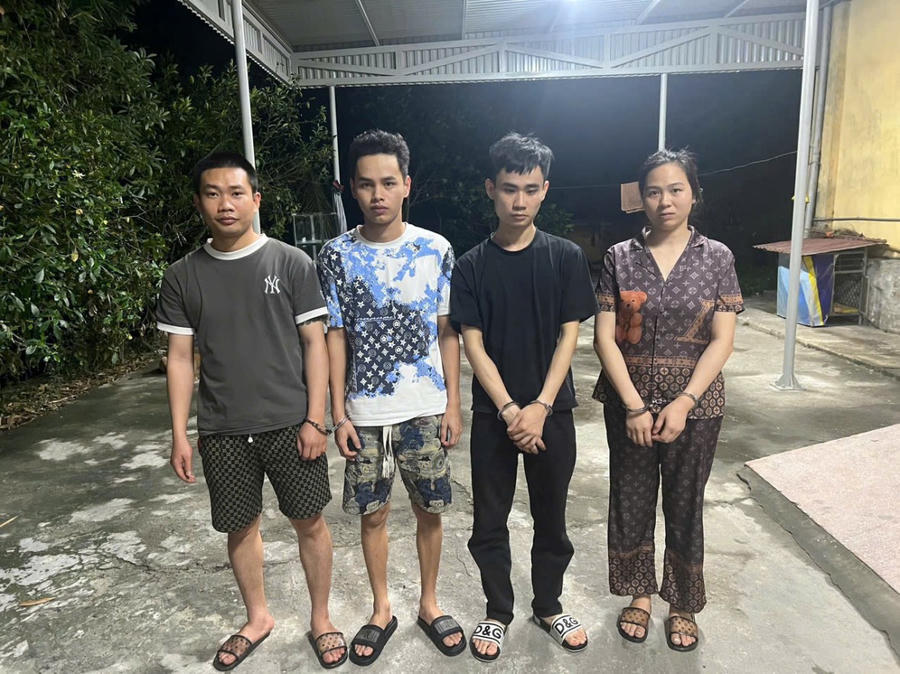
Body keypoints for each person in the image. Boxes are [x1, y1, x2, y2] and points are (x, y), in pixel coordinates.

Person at [157, 151, 346, 670]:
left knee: (309, 522)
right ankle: (258, 617)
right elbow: (180, 359)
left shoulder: (290, 263)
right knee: (239, 527)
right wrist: (180, 433)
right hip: (222, 429)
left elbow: (315, 344)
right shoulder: (182, 276)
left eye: (237, 193)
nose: (226, 204)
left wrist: (316, 419)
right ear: (199, 203)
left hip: (290, 424)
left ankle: (322, 618)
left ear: (256, 199)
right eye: (213, 193)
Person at [316, 130, 465, 665]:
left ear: (406, 184)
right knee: (372, 515)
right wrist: (338, 414)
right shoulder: (335, 255)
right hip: (364, 412)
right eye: (365, 184)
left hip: (424, 408)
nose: (377, 194)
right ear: (352, 189)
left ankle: (429, 602)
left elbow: (447, 331)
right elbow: (335, 336)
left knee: (430, 510)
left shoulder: (436, 249)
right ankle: (382, 608)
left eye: (387, 182)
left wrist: (453, 403)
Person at [450, 132, 596, 661]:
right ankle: (497, 610)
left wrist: (540, 406)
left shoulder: (565, 257)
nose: (519, 201)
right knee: (489, 520)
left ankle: (549, 605)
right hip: (495, 416)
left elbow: (569, 336)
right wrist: (512, 409)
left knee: (551, 517)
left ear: (544, 191)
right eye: (509, 189)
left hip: (551, 412)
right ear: (491, 188)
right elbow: (472, 344)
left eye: (530, 190)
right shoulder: (470, 266)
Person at [593, 148, 743, 652]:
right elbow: (604, 337)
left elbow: (722, 339)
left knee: (685, 501)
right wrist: (634, 405)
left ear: (694, 194)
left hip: (695, 409)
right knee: (631, 497)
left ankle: (682, 603)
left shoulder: (717, 257)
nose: (665, 201)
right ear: (642, 198)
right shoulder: (620, 257)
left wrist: (683, 401)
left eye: (676, 189)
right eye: (654, 191)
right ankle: (639, 593)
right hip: (629, 403)